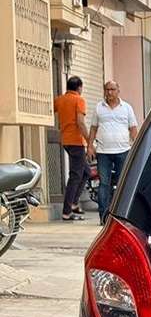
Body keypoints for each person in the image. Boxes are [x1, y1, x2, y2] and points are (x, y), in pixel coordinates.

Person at [90, 81, 138, 223]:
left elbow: (133, 128)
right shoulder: (99, 108)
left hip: (123, 150)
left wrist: (136, 145)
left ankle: (121, 216)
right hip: (103, 151)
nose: (109, 92)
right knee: (104, 184)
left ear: (118, 90)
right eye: (107, 89)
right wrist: (90, 146)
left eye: (112, 89)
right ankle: (104, 217)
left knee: (122, 183)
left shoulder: (127, 108)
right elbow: (93, 128)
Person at [54, 76, 92, 221]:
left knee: (86, 172)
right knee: (75, 176)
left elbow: (51, 110)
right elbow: (80, 122)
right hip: (76, 142)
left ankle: (74, 203)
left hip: (65, 140)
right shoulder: (79, 100)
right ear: (79, 87)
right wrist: (90, 142)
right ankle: (67, 211)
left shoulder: (60, 100)